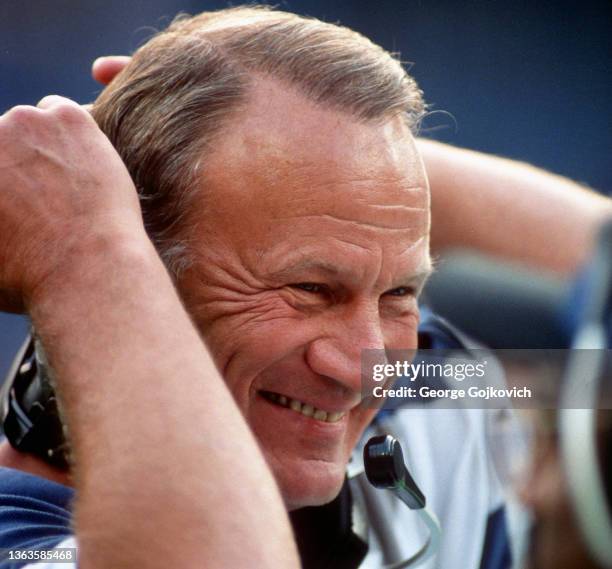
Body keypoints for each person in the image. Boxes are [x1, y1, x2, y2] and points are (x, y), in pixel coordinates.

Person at [0, 6, 610, 569]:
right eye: (310, 289)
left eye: (399, 293)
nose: (358, 368)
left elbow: (587, 356)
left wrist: (325, 149)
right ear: (139, 263)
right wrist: (82, 245)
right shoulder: (24, 538)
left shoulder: (427, 386)